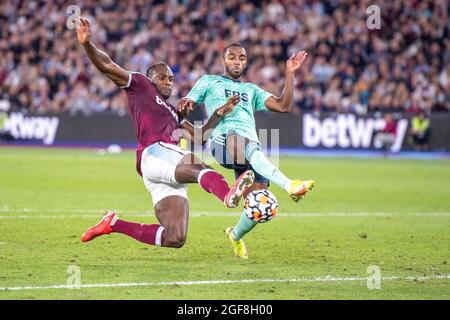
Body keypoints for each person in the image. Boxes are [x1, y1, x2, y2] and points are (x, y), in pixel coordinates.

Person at [75, 18, 255, 249]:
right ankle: (228, 195)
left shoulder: (173, 112)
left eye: (171, 78)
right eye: (162, 77)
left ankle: (113, 224)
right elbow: (106, 65)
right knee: (199, 167)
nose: (168, 82)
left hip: (161, 168)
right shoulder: (140, 85)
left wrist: (219, 112)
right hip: (155, 151)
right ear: (151, 78)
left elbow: (201, 137)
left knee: (175, 237)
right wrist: (87, 44)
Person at [178, 43, 315, 259]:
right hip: (223, 144)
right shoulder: (209, 81)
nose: (237, 61)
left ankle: (235, 235)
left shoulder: (252, 90)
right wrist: (186, 104)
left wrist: (290, 74)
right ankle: (289, 184)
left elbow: (283, 106)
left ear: (245, 62)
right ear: (222, 61)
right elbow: (188, 104)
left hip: (251, 151)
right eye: (231, 57)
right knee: (235, 137)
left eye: (241, 58)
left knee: (262, 205)